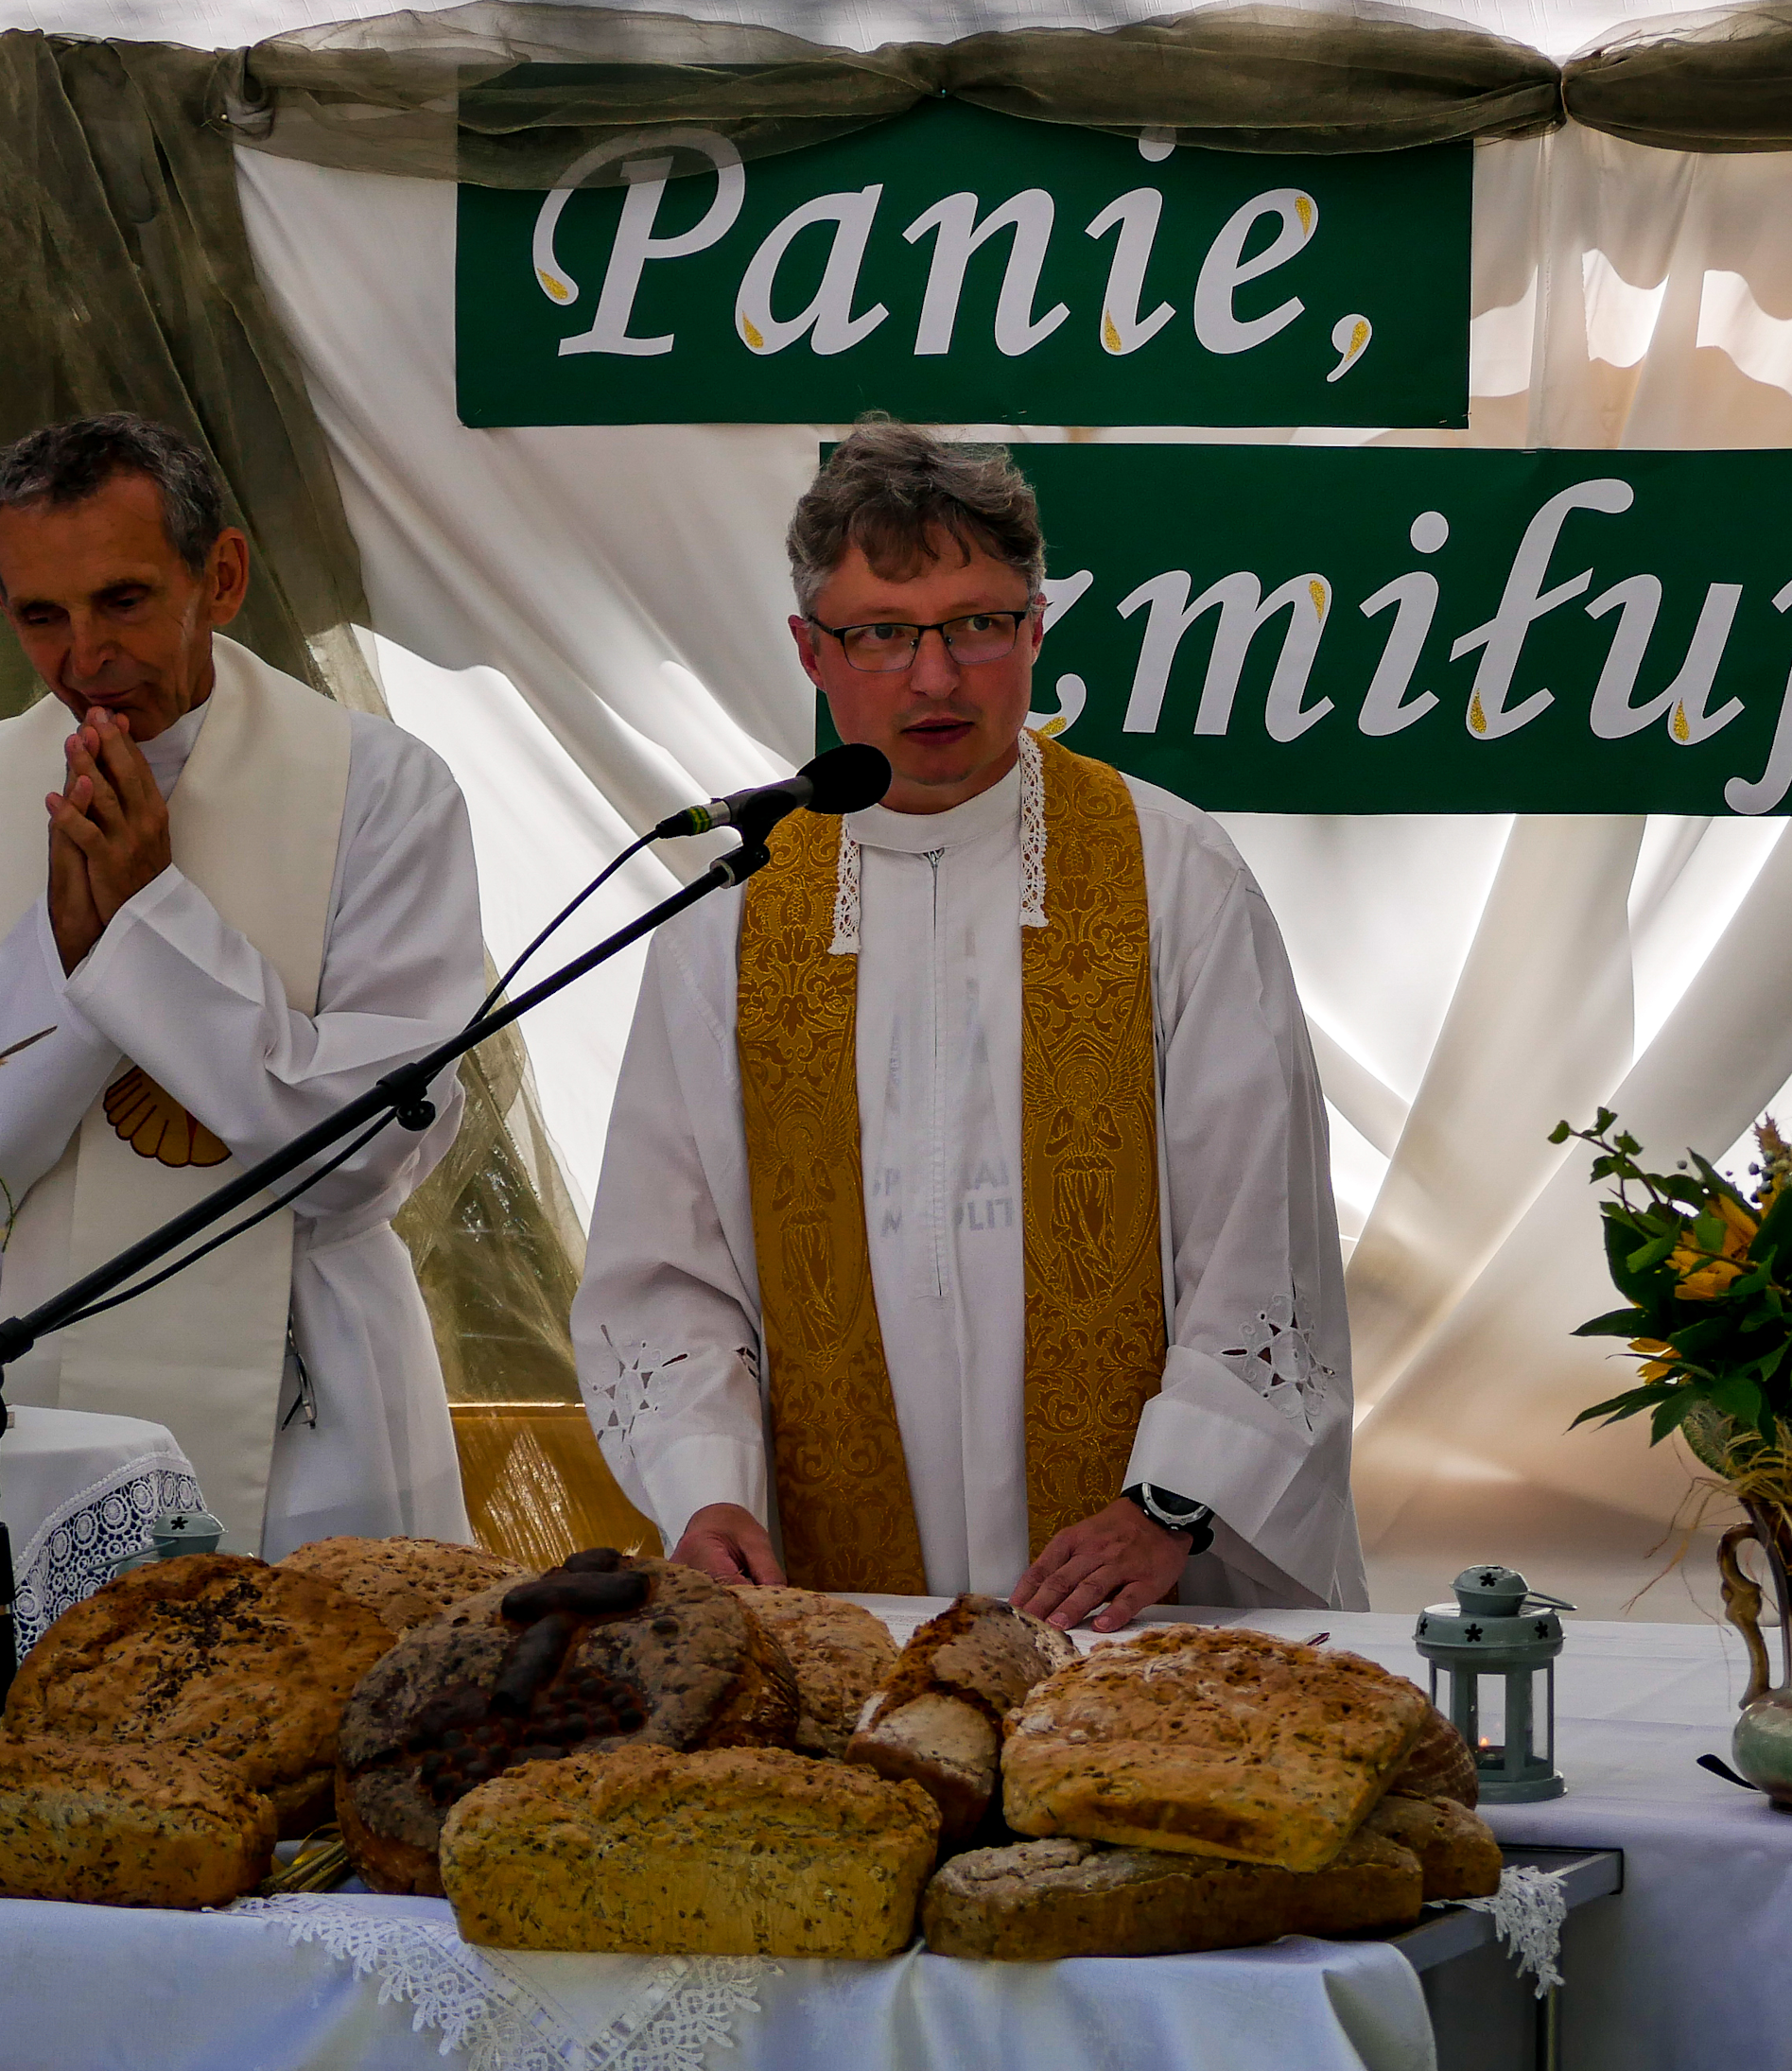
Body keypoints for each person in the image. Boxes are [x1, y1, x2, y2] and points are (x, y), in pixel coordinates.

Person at [576, 423, 1361, 1627]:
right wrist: (705, 1490)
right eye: (884, 634)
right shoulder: (730, 909)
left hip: (1132, 1587)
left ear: (1035, 629)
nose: (934, 679)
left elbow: (1264, 1233)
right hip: (837, 1587)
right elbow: (663, 1262)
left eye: (977, 626)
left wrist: (1169, 1504)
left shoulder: (1170, 869)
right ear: (810, 651)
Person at [0, 412, 488, 1556]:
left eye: (126, 600)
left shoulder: (383, 792)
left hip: (317, 1401)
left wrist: (141, 924)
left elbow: (359, 1160)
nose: (85, 656)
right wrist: (60, 949)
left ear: (225, 576)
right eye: (42, 616)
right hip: (46, 1389)